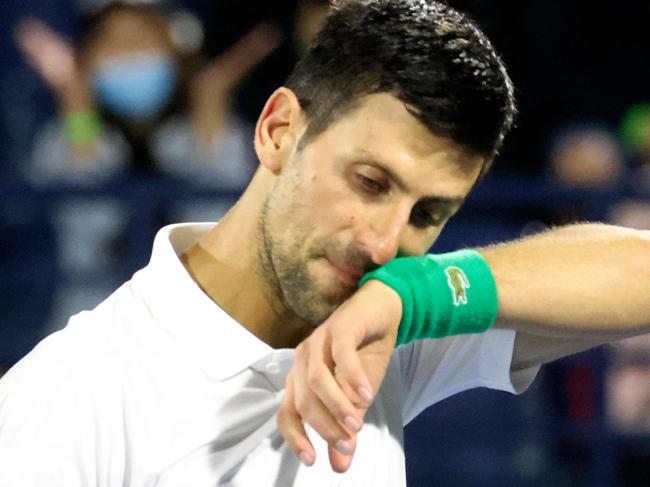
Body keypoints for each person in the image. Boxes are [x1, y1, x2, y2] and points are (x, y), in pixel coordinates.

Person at [1, 1, 650, 485]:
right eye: (370, 181)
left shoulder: (384, 317)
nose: (383, 241)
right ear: (279, 130)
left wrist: (419, 295)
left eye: (428, 212)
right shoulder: (64, 399)